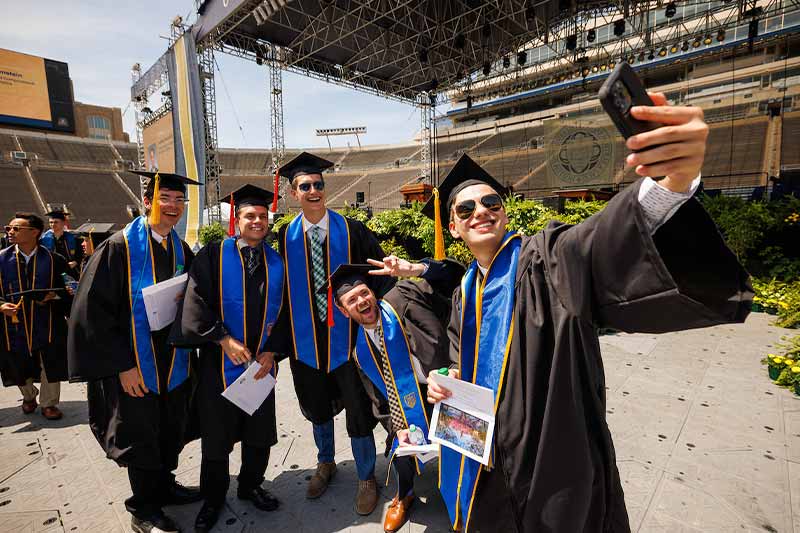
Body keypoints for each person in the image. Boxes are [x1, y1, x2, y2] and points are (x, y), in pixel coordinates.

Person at [422, 98, 753, 532]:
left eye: (491, 202)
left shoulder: (547, 258)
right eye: (466, 209)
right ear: (453, 228)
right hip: (483, 457)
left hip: (550, 452)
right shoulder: (467, 291)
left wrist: (672, 181)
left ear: (504, 212)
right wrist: (442, 381)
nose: (481, 211)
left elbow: (598, 239)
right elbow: (458, 356)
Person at [68, 171, 202, 533]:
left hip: (172, 361)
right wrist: (123, 367)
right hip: (135, 365)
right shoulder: (117, 248)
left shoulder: (179, 247)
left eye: (179, 200)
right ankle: (143, 508)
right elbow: (93, 315)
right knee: (141, 435)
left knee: (168, 429)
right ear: (147, 201)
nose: (173, 207)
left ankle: (164, 487)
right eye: (165, 199)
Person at [265, 152, 393, 516]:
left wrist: (372, 319)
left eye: (318, 184)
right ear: (293, 193)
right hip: (305, 342)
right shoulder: (284, 237)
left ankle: (367, 476)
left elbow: (381, 274)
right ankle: (325, 463)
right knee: (317, 408)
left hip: (349, 343)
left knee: (358, 410)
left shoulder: (352, 230)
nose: (313, 190)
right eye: (305, 186)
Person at [171, 184, 285, 533]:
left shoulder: (276, 260)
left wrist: (273, 350)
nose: (257, 221)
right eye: (250, 215)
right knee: (216, 437)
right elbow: (195, 300)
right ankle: (214, 497)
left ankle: (251, 485)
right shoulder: (212, 255)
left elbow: (288, 314)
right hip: (218, 364)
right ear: (236, 219)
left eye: (262, 216)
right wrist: (223, 339)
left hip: (261, 365)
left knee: (258, 433)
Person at [326, 257, 464, 532]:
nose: (362, 301)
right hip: (407, 402)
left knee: (460, 445)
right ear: (343, 311)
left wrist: (416, 268)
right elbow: (379, 401)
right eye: (352, 300)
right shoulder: (360, 352)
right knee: (398, 446)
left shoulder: (402, 295)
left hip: (447, 384)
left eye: (364, 292)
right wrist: (396, 427)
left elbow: (453, 279)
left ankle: (463, 499)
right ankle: (406, 495)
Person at [0, 212, 71, 420]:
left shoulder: (54, 259)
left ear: (34, 233)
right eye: (9, 228)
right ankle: (29, 395)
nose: (10, 232)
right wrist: (2, 306)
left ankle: (49, 403)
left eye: (16, 229)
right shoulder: (2, 259)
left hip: (47, 320)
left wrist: (54, 295)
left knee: (49, 362)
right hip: (13, 323)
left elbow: (70, 287)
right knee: (17, 362)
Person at [40, 209, 83, 278]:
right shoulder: (43, 239)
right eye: (51, 222)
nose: (53, 224)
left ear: (63, 223)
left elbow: (81, 253)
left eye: (56, 222)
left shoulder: (74, 238)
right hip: (51, 271)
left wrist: (76, 262)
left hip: (70, 270)